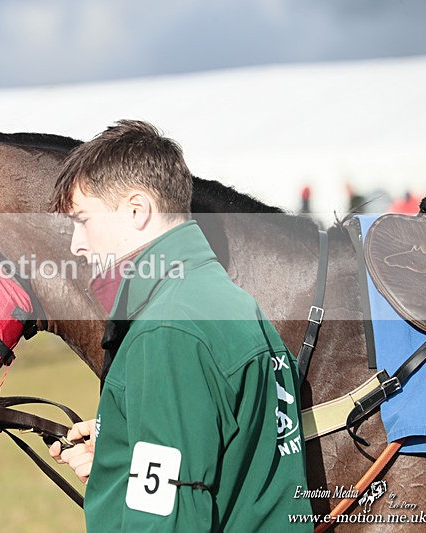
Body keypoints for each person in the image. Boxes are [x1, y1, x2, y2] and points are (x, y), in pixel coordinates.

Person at [47, 120, 312, 531]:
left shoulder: (167, 331)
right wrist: (119, 450)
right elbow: (230, 458)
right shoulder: (228, 300)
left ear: (137, 210)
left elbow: (167, 517)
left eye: (83, 220)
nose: (75, 245)